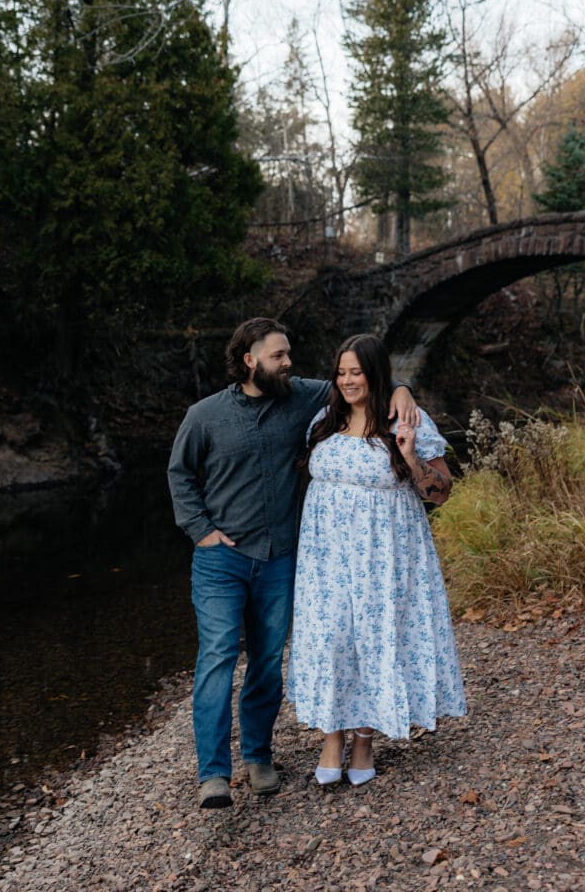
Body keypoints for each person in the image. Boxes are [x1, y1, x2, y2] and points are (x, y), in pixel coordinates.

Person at [167, 318, 418, 809]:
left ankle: (258, 758)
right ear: (249, 360)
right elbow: (180, 475)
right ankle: (214, 773)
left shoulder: (302, 399)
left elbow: (362, 381)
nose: (288, 363)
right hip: (221, 560)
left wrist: (404, 387)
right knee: (217, 659)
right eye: (279, 356)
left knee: (265, 663)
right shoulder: (204, 415)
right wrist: (201, 531)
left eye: (288, 355)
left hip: (280, 558)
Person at [286, 333, 466, 787]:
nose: (347, 380)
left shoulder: (405, 418)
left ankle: (364, 740)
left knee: (375, 638)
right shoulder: (324, 419)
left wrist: (408, 454)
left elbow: (440, 494)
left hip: (384, 554)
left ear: (375, 374)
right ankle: (332, 737)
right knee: (332, 640)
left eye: (357, 372)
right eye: (341, 372)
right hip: (325, 559)